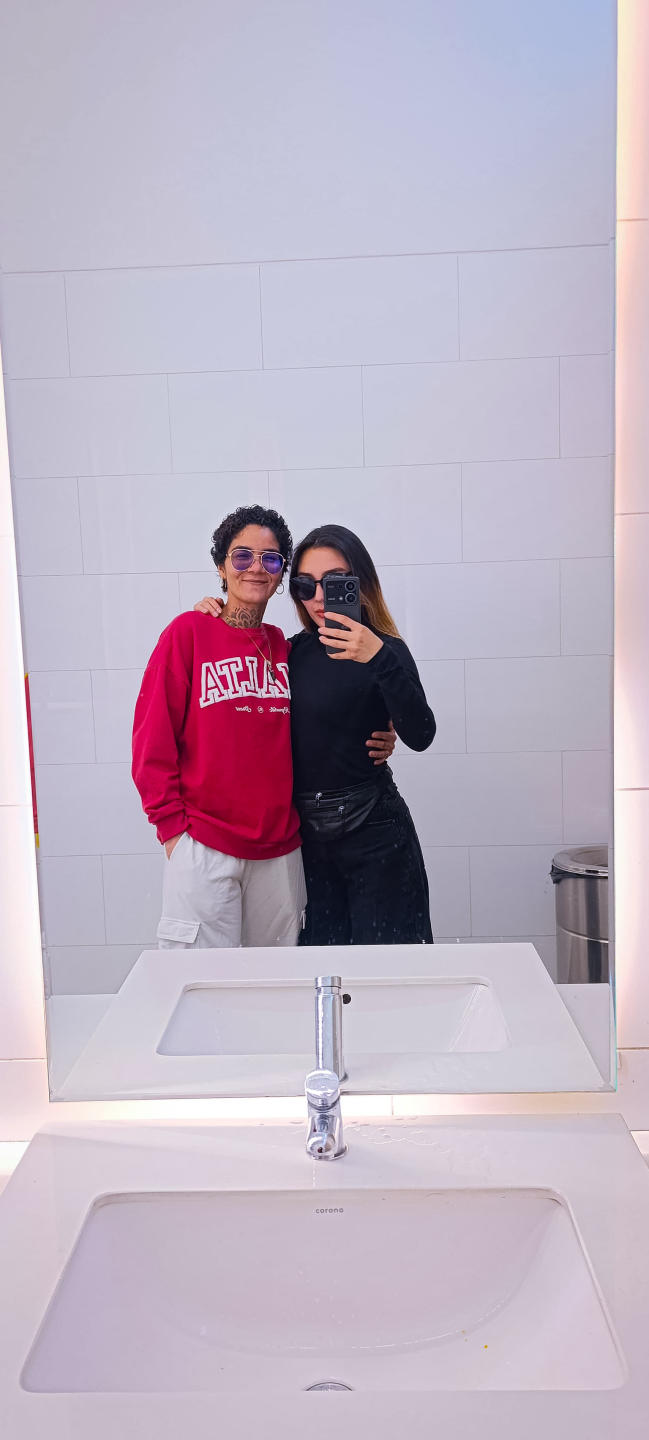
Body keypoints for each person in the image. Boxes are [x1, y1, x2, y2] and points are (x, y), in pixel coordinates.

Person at [132, 504, 394, 949]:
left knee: (276, 983)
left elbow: (331, 706)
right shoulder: (188, 633)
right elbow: (151, 740)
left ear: (281, 576)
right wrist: (173, 831)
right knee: (204, 982)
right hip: (205, 845)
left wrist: (384, 729)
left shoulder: (283, 647)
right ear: (221, 567)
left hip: (280, 853)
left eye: (270, 559)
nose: (256, 567)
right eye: (242, 556)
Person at [196, 522, 436, 945]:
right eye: (306, 585)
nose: (320, 597)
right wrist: (213, 618)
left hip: (376, 833)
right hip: (307, 844)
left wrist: (378, 658)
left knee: (389, 971)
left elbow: (422, 734)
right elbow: (243, 704)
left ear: (360, 582)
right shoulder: (289, 652)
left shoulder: (386, 650)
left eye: (335, 582)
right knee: (319, 971)